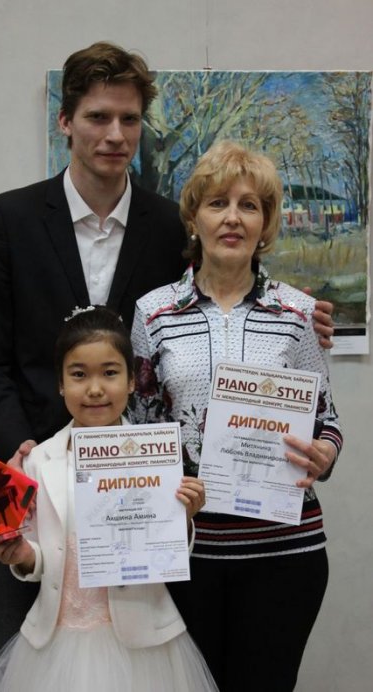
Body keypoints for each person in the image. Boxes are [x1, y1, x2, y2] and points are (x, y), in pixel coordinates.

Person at [0, 40, 335, 665]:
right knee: (9, 655)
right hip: (23, 472)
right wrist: (20, 454)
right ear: (65, 121)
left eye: (129, 119)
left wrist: (305, 314)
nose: (115, 134)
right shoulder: (5, 217)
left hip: (136, 490)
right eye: (97, 117)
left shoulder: (169, 225)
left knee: (137, 658)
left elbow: (222, 291)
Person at [129, 141, 343, 692]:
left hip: (285, 554)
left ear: (265, 223)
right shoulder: (153, 313)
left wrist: (325, 451)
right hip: (189, 552)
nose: (232, 217)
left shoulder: (298, 312)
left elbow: (327, 419)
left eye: (249, 205)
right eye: (218, 203)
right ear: (194, 218)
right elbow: (140, 426)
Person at [0, 306, 219, 692]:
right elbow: (41, 557)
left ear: (131, 381)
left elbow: (167, 555)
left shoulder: (159, 455)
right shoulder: (37, 460)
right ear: (60, 383)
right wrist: (23, 556)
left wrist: (184, 518)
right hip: (54, 643)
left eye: (109, 373)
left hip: (145, 644)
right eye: (78, 374)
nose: (94, 389)